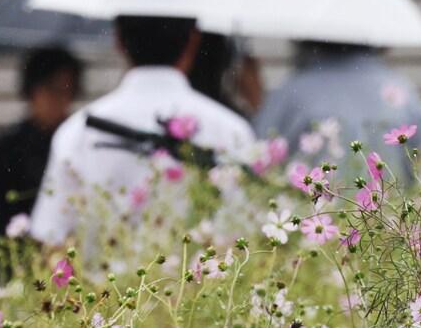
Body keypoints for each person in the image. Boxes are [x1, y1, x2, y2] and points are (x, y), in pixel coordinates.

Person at [30, 16, 254, 249]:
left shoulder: (76, 132)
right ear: (193, 40)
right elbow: (245, 235)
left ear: (118, 39)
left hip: (101, 273)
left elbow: (50, 240)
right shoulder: (231, 131)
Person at [255, 42, 421, 181]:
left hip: (309, 211)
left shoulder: (291, 91)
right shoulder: (402, 91)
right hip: (390, 213)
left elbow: (258, 162)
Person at [0, 47, 83, 258]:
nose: (60, 99)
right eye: (52, 89)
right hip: (21, 255)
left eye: (67, 90)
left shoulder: (77, 140)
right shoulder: (9, 145)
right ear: (32, 91)